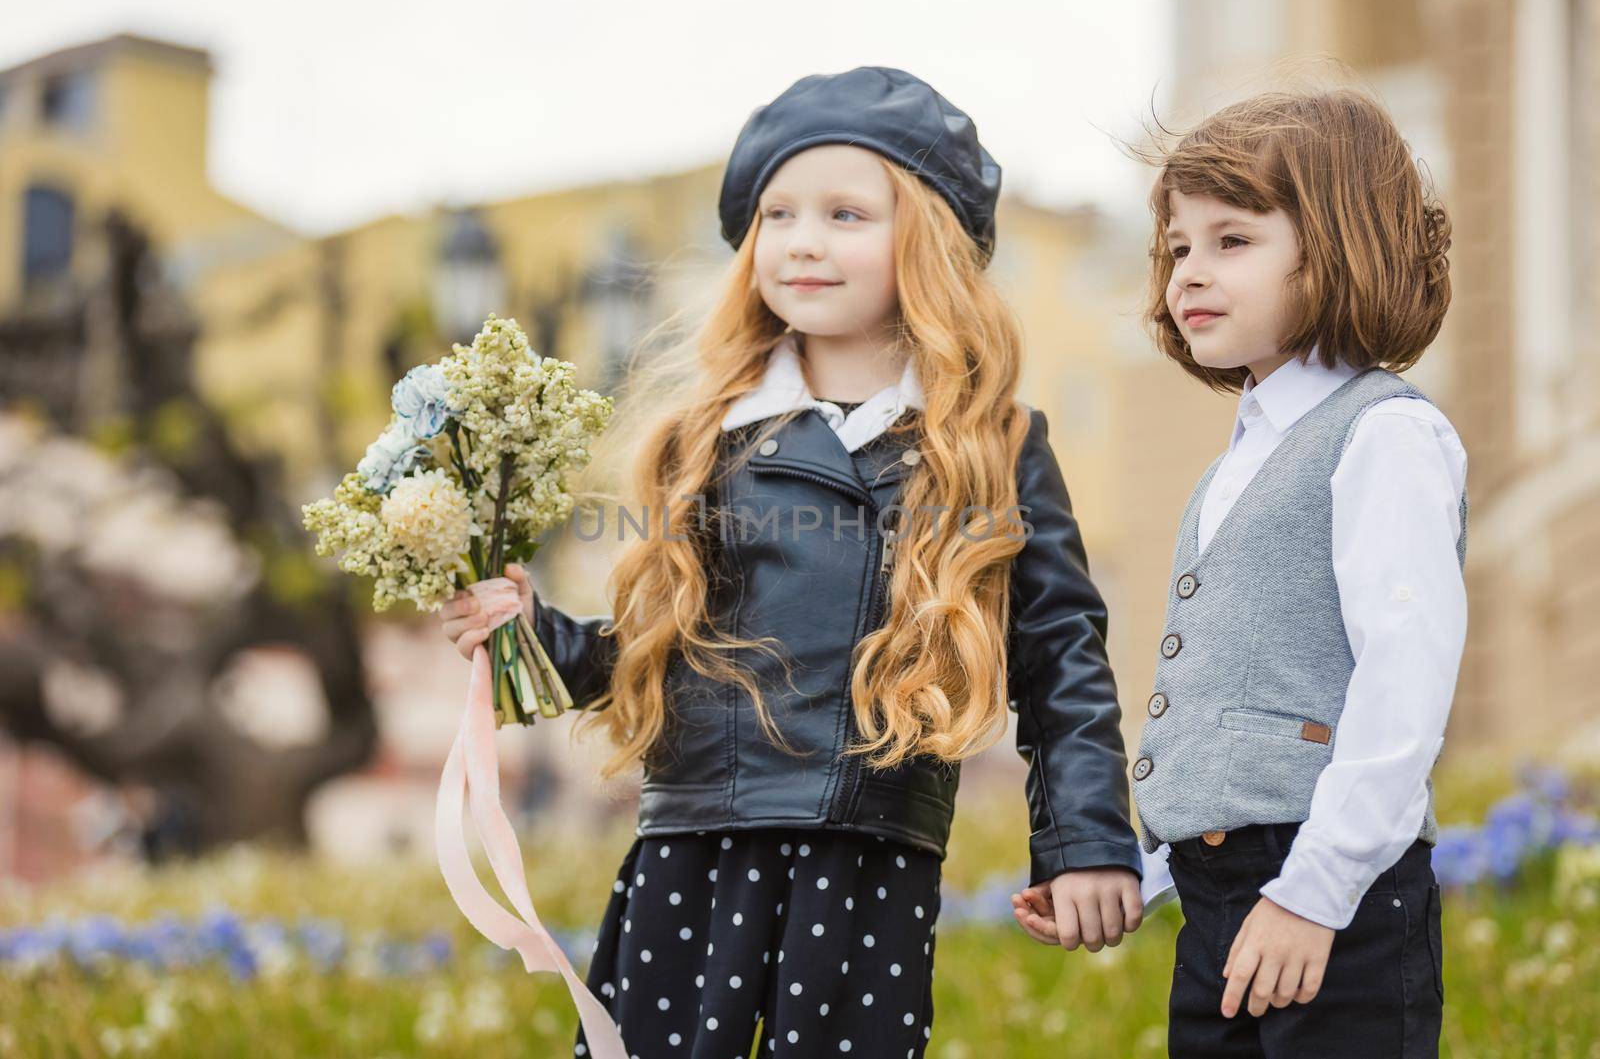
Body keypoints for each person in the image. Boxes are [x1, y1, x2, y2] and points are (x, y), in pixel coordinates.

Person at [439, 65, 1143, 1058]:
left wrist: (1086, 844)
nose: (802, 239)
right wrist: (529, 634)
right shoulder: (708, 437)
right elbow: (651, 652)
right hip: (691, 848)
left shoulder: (992, 442)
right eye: (777, 213)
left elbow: (1060, 654)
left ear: (927, 244)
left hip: (869, 855)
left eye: (845, 213)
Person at [1109, 88, 1463, 1057]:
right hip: (1222, 892)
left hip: (1333, 891)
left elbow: (1403, 682)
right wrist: (1141, 875)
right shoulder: (1238, 460)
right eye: (1178, 246)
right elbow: (1244, 711)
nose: (1189, 271)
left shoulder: (1383, 434)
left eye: (1232, 241)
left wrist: (1313, 892)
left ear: (1340, 245)